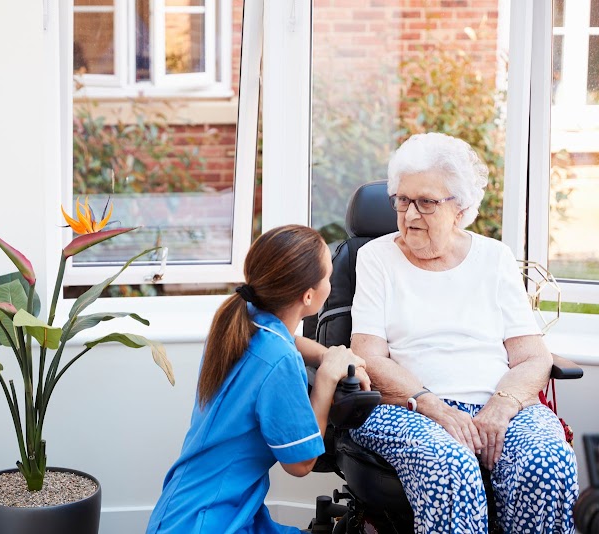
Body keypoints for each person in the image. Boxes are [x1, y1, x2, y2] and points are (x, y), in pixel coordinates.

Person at [349, 132, 579, 533]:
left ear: (460, 208)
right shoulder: (376, 258)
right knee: (450, 465)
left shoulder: (494, 257)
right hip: (408, 407)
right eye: (402, 200)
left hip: (498, 404)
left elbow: (532, 356)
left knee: (547, 461)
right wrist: (435, 407)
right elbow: (368, 357)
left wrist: (502, 406)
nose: (410, 215)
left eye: (426, 202)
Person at [147, 225, 368, 534]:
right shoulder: (279, 360)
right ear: (308, 295)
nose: (330, 284)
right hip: (210, 523)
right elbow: (301, 464)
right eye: (328, 278)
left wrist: (328, 355)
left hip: (190, 509)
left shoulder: (242, 318)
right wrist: (326, 380)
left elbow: (290, 341)